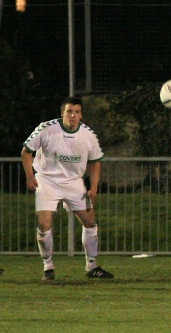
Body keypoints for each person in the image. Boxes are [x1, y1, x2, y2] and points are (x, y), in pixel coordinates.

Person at [21, 97, 114, 281]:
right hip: (47, 180)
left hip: (74, 182)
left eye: (77, 112)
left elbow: (95, 162)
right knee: (44, 224)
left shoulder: (88, 135)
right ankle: (48, 267)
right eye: (69, 111)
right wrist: (30, 175)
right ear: (62, 113)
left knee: (90, 222)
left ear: (81, 115)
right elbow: (26, 151)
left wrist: (93, 188)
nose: (73, 115)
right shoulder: (46, 129)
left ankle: (92, 266)